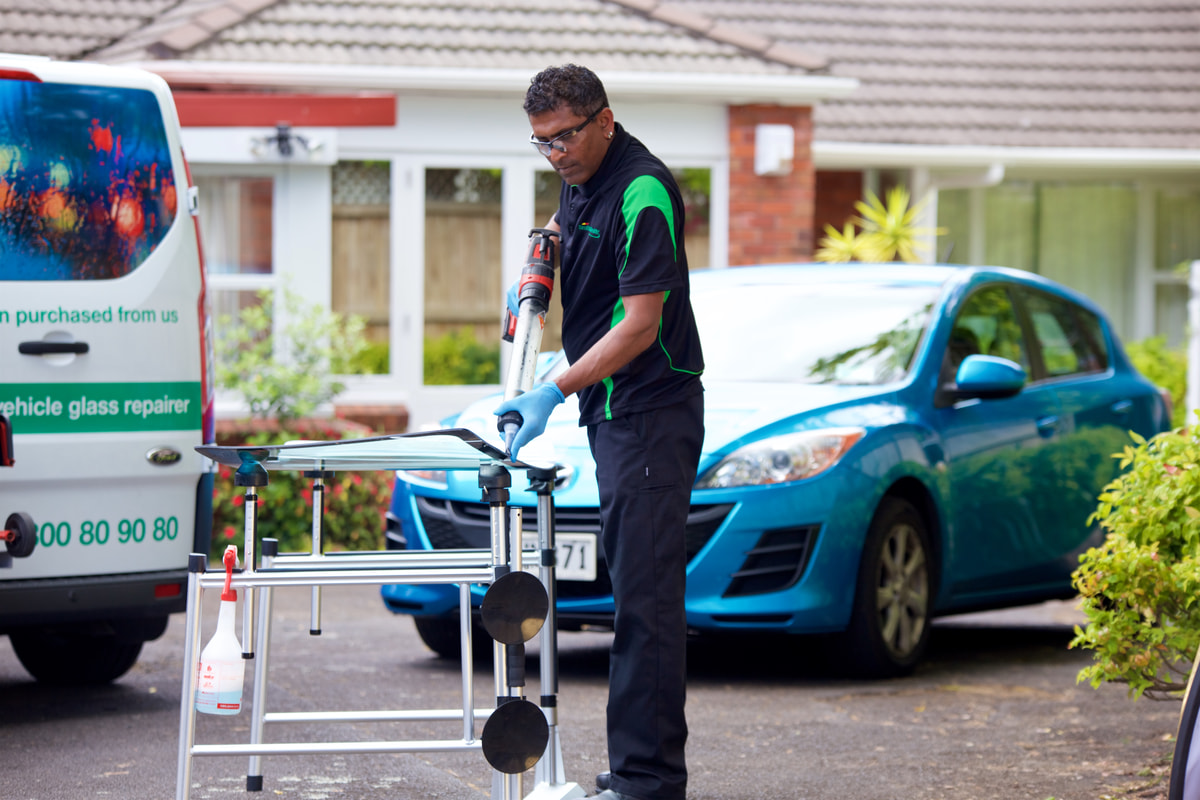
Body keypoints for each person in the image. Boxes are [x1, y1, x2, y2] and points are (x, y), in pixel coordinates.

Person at [494, 64, 705, 800]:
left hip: (651, 415)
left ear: (604, 121)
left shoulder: (642, 188)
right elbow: (560, 225)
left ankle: (648, 781)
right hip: (614, 416)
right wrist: (536, 272)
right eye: (541, 143)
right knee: (634, 596)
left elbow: (641, 325)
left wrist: (553, 386)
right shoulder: (582, 172)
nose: (556, 155)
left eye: (565, 138)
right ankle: (638, 768)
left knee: (647, 603)